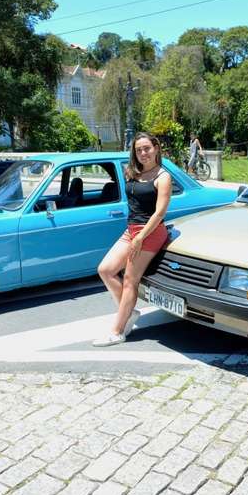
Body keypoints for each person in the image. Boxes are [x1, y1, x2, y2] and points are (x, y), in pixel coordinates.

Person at [95, 132, 172, 347]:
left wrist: (140, 238)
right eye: (139, 150)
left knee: (130, 280)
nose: (143, 153)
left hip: (151, 231)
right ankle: (129, 312)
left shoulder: (163, 176)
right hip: (131, 230)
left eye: (147, 148)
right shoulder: (132, 172)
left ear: (156, 148)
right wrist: (134, 235)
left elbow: (159, 213)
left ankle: (117, 331)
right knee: (105, 269)